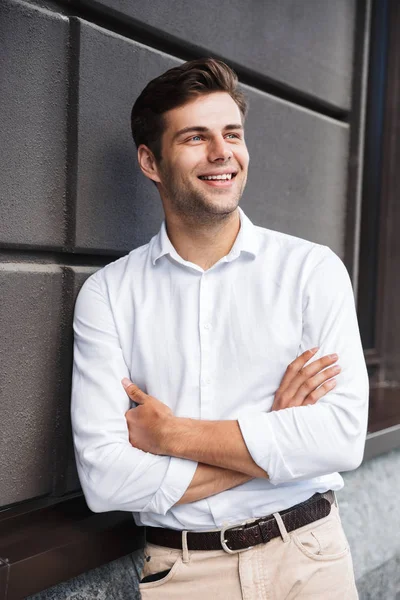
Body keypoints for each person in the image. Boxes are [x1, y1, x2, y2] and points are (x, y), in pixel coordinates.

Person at [71, 58, 368, 599]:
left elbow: (342, 437)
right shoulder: (109, 295)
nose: (221, 152)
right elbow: (105, 478)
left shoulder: (311, 271)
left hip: (309, 559)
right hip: (183, 575)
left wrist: (173, 435)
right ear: (150, 161)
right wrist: (275, 431)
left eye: (232, 133)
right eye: (195, 137)